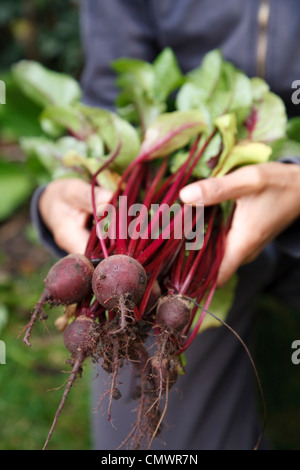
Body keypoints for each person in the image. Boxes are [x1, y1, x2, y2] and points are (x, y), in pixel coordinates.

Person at [31, 0, 300, 450]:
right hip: (189, 257)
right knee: (158, 445)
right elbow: (108, 100)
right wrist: (58, 195)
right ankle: (138, 338)